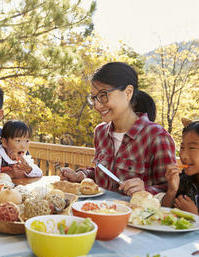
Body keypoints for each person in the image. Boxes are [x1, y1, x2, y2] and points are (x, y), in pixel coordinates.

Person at [60, 62, 176, 196]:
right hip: (98, 212)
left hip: (136, 215)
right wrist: (80, 176)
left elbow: (170, 189)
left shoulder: (156, 136)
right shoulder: (100, 132)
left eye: (103, 95)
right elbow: (103, 173)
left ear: (128, 93)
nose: (97, 105)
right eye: (93, 98)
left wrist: (145, 190)